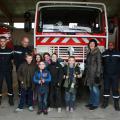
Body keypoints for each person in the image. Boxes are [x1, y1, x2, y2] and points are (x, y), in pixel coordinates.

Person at [84, 39, 102, 110]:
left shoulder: (97, 52)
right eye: (90, 43)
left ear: (95, 45)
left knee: (95, 90)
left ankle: (95, 104)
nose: (91, 44)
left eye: (93, 43)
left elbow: (99, 64)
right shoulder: (89, 53)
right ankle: (91, 102)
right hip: (89, 74)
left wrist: (98, 75)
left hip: (95, 75)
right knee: (91, 89)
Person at [101, 42, 120, 111]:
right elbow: (102, 63)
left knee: (115, 90)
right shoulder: (104, 54)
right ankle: (105, 103)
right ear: (108, 46)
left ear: (114, 46)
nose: (110, 46)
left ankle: (116, 104)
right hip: (106, 75)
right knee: (106, 89)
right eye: (109, 45)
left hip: (115, 76)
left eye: (111, 45)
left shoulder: (118, 53)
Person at [0, 36, 14, 106]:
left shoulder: (10, 50)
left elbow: (13, 59)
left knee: (10, 85)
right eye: (1, 41)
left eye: (3, 41)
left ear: (6, 42)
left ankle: (11, 98)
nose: (2, 42)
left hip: (8, 71)